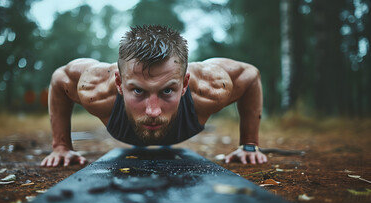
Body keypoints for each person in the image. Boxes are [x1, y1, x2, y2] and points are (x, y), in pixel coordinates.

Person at [40, 25, 267, 167]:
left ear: (185, 84)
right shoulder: (96, 90)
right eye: (138, 90)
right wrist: (61, 146)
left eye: (167, 90)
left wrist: (249, 144)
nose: (153, 111)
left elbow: (250, 75)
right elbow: (59, 79)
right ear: (119, 83)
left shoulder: (210, 88)